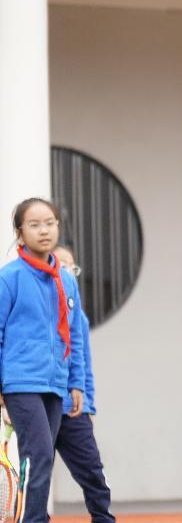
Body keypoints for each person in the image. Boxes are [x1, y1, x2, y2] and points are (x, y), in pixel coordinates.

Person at [0, 198, 86, 523]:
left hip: (55, 382)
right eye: (34, 225)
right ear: (20, 233)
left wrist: (76, 381)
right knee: (37, 454)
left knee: (43, 457)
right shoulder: (9, 278)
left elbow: (74, 335)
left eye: (49, 223)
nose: (44, 230)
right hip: (20, 382)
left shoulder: (67, 280)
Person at [53, 245, 116, 523]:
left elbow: (84, 364)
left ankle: (102, 518)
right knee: (38, 475)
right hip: (41, 403)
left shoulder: (79, 317)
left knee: (93, 472)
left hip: (74, 408)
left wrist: (88, 403)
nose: (67, 271)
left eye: (72, 267)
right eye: (61, 264)